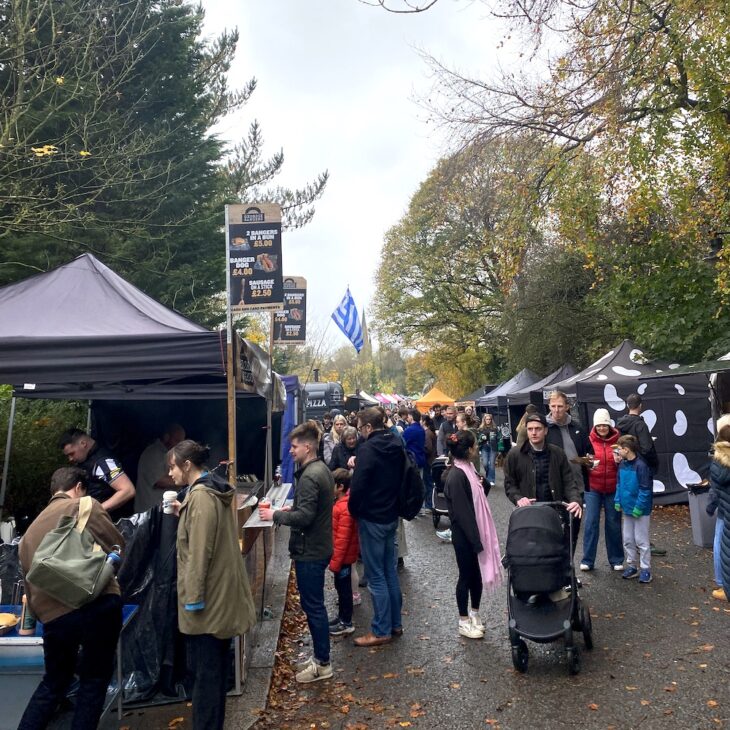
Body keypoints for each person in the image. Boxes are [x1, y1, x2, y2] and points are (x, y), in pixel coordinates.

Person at [18, 467, 125, 730]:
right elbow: (117, 544)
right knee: (94, 680)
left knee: (54, 683)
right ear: (78, 487)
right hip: (95, 603)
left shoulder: (29, 533)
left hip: (53, 617)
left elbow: (29, 584)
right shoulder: (85, 505)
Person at [169, 440, 256, 727]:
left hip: (208, 605)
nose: (170, 474)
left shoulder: (202, 499)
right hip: (217, 598)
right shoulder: (202, 496)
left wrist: (192, 598)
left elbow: (199, 552)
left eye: (172, 467)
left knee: (206, 678)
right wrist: (185, 512)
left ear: (186, 465)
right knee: (213, 674)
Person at [259, 422, 334, 682]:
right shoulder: (318, 469)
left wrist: (275, 515)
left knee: (314, 607)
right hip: (315, 547)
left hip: (311, 551)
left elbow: (306, 517)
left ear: (308, 446)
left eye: (294, 446)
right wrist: (293, 510)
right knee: (314, 606)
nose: (291, 451)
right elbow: (308, 510)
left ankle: (323, 663)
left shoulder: (312, 475)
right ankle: (320, 657)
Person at [348, 406, 404, 646]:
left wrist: (353, 509)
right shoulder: (395, 443)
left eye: (360, 428)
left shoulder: (368, 449)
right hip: (391, 515)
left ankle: (381, 630)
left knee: (376, 576)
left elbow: (359, 486)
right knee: (389, 571)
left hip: (372, 517)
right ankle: (395, 623)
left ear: (369, 427)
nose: (360, 432)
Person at [443, 430, 502, 639]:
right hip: (465, 535)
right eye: (475, 445)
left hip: (475, 531)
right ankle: (463, 620)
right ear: (468, 450)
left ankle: (475, 613)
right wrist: (476, 542)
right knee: (466, 576)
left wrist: (483, 485)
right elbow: (463, 513)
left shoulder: (467, 469)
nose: (477, 448)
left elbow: (476, 497)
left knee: (476, 575)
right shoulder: (456, 475)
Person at [504, 414, 582, 551]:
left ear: (546, 430)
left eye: (538, 429)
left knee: (559, 550)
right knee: (532, 552)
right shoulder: (515, 455)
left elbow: (569, 481)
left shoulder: (558, 453)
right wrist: (518, 498)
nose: (533, 432)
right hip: (528, 513)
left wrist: (575, 500)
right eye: (530, 429)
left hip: (554, 512)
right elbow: (510, 484)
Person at [59, 428, 136, 520]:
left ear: (83, 444)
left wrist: (94, 512)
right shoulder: (86, 462)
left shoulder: (103, 462)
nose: (70, 459)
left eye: (72, 453)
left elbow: (128, 490)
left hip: (115, 524)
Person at [581, 409, 624, 572]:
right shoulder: (588, 440)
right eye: (598, 425)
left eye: (604, 425)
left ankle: (616, 559)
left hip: (613, 488)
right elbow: (581, 459)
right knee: (591, 522)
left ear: (609, 425)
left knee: (613, 523)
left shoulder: (619, 440)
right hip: (593, 487)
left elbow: (627, 460)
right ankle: (587, 559)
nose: (601, 428)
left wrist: (621, 460)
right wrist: (586, 463)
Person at [614, 434, 653, 583]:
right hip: (627, 508)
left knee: (641, 540)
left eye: (619, 449)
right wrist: (618, 500)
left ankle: (645, 568)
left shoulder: (641, 466)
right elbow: (619, 484)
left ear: (626, 449)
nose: (618, 452)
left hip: (640, 510)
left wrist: (639, 507)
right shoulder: (622, 465)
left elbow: (645, 489)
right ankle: (632, 565)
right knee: (628, 539)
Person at [328, 469, 360, 636]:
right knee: (341, 588)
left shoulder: (344, 508)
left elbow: (343, 539)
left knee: (344, 589)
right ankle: (341, 616)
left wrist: (335, 561)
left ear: (340, 487)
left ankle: (346, 621)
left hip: (343, 558)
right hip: (342, 557)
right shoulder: (341, 504)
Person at [135, 423, 186, 512]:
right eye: (177, 440)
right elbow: (160, 481)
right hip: (149, 514)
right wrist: (188, 479)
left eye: (181, 442)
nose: (179, 445)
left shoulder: (174, 454)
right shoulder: (153, 453)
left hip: (165, 512)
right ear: (166, 437)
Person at [710, 414, 730, 601]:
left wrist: (710, 506)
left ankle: (722, 583)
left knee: (721, 544)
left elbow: (715, 488)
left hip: (725, 510)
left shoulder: (718, 460)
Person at [616, 393, 659, 474]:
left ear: (627, 406)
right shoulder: (640, 425)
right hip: (641, 466)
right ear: (640, 405)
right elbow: (646, 449)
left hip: (625, 465)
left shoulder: (619, 424)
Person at [422, 414, 437, 512]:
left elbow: (428, 448)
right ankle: (430, 504)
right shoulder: (429, 432)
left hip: (428, 461)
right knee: (429, 483)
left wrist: (421, 450)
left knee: (428, 483)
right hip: (431, 460)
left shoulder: (427, 433)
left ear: (424, 421)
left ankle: (429, 504)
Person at [477, 413, 499, 483]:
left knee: (492, 463)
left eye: (489, 419)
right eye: (487, 419)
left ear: (491, 420)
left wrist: (500, 449)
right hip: (484, 447)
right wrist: (481, 438)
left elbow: (499, 438)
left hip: (493, 447)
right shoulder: (481, 429)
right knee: (485, 464)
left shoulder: (495, 428)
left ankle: (491, 479)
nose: (488, 420)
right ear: (484, 420)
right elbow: (478, 439)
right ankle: (488, 474)